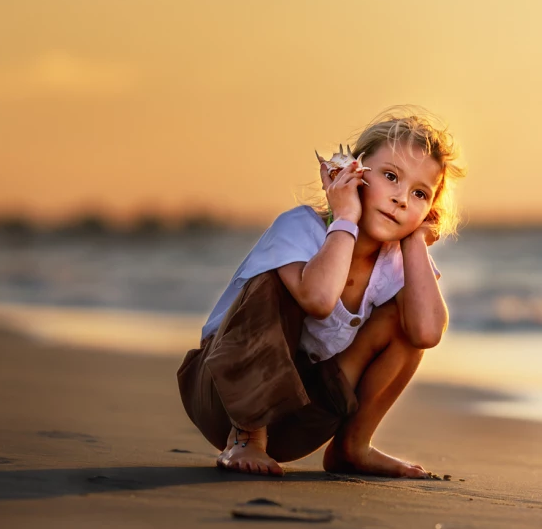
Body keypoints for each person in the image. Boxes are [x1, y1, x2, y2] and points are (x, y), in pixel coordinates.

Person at [176, 107, 465, 478]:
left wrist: (415, 245)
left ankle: (351, 446)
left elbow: (427, 333)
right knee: (272, 284)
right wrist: (344, 217)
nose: (402, 199)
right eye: (391, 176)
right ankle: (248, 437)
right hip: (224, 397)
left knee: (406, 319)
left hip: (300, 417)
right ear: (354, 172)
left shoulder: (397, 259)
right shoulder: (299, 227)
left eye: (420, 194)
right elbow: (318, 299)